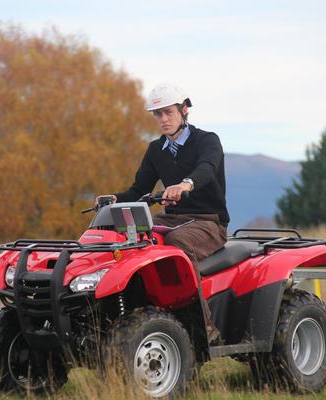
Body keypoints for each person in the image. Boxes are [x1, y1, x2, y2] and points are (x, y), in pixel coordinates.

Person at [97, 82, 229, 343]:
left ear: (184, 111)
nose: (163, 119)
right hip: (171, 219)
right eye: (158, 114)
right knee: (126, 238)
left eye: (169, 112)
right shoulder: (156, 150)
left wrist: (185, 185)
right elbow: (138, 191)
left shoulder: (208, 141)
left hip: (208, 222)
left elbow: (206, 168)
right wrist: (115, 199)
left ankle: (203, 325)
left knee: (178, 243)